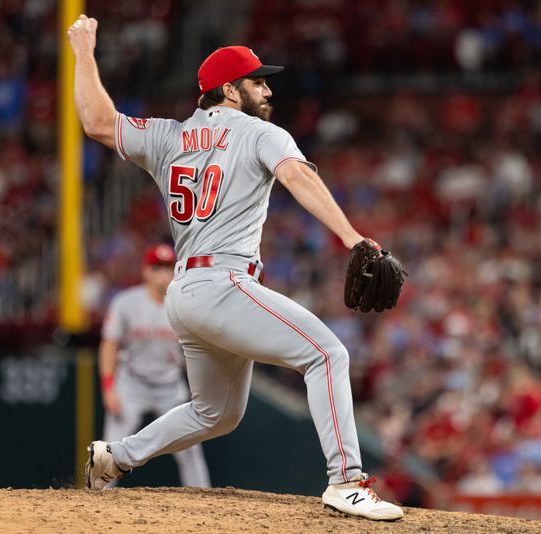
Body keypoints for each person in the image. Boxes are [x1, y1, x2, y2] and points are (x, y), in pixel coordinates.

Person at [68, 14, 404, 521]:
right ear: (229, 90)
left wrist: (83, 53)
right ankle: (347, 483)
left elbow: (95, 121)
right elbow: (296, 175)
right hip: (224, 281)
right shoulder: (257, 132)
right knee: (327, 355)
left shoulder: (169, 137)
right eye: (257, 81)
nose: (267, 90)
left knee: (216, 414)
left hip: (184, 293)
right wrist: (352, 236)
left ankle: (115, 457)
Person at [99, 243, 211, 488]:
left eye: (167, 267)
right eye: (157, 267)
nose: (163, 274)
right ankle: (91, 506)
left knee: (190, 451)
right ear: (146, 271)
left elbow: (199, 352)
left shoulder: (186, 304)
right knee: (110, 448)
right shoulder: (126, 302)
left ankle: (206, 507)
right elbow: (109, 345)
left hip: (170, 387)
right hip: (132, 384)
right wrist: (109, 387)